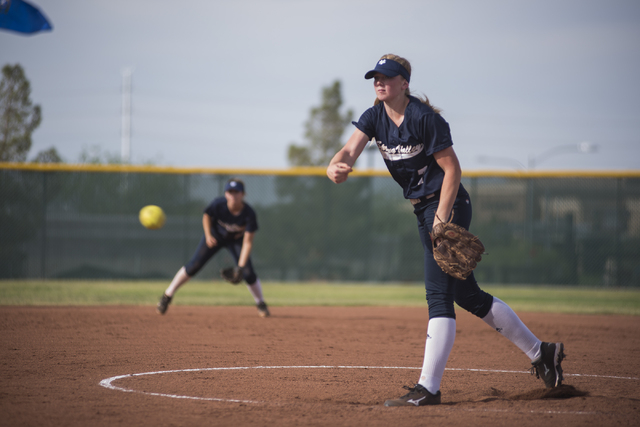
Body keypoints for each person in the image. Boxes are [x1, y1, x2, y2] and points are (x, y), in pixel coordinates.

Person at [326, 54, 564, 406]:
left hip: (447, 207)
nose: (380, 82)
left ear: (404, 83)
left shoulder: (425, 119)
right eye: (376, 77)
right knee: (468, 296)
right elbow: (349, 149)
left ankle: (429, 388)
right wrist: (337, 165)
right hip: (423, 211)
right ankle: (542, 352)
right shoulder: (374, 115)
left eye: (387, 77)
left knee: (437, 294)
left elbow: (453, 169)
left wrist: (442, 218)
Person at [157, 178, 270, 318]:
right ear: (226, 194)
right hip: (215, 237)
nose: (233, 195)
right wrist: (208, 234)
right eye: (230, 192)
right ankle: (167, 296)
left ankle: (261, 303)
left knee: (247, 272)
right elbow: (206, 215)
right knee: (194, 265)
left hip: (236, 241)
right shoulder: (219, 204)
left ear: (243, 194)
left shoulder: (249, 213)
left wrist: (240, 268)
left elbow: (247, 242)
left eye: (237, 192)